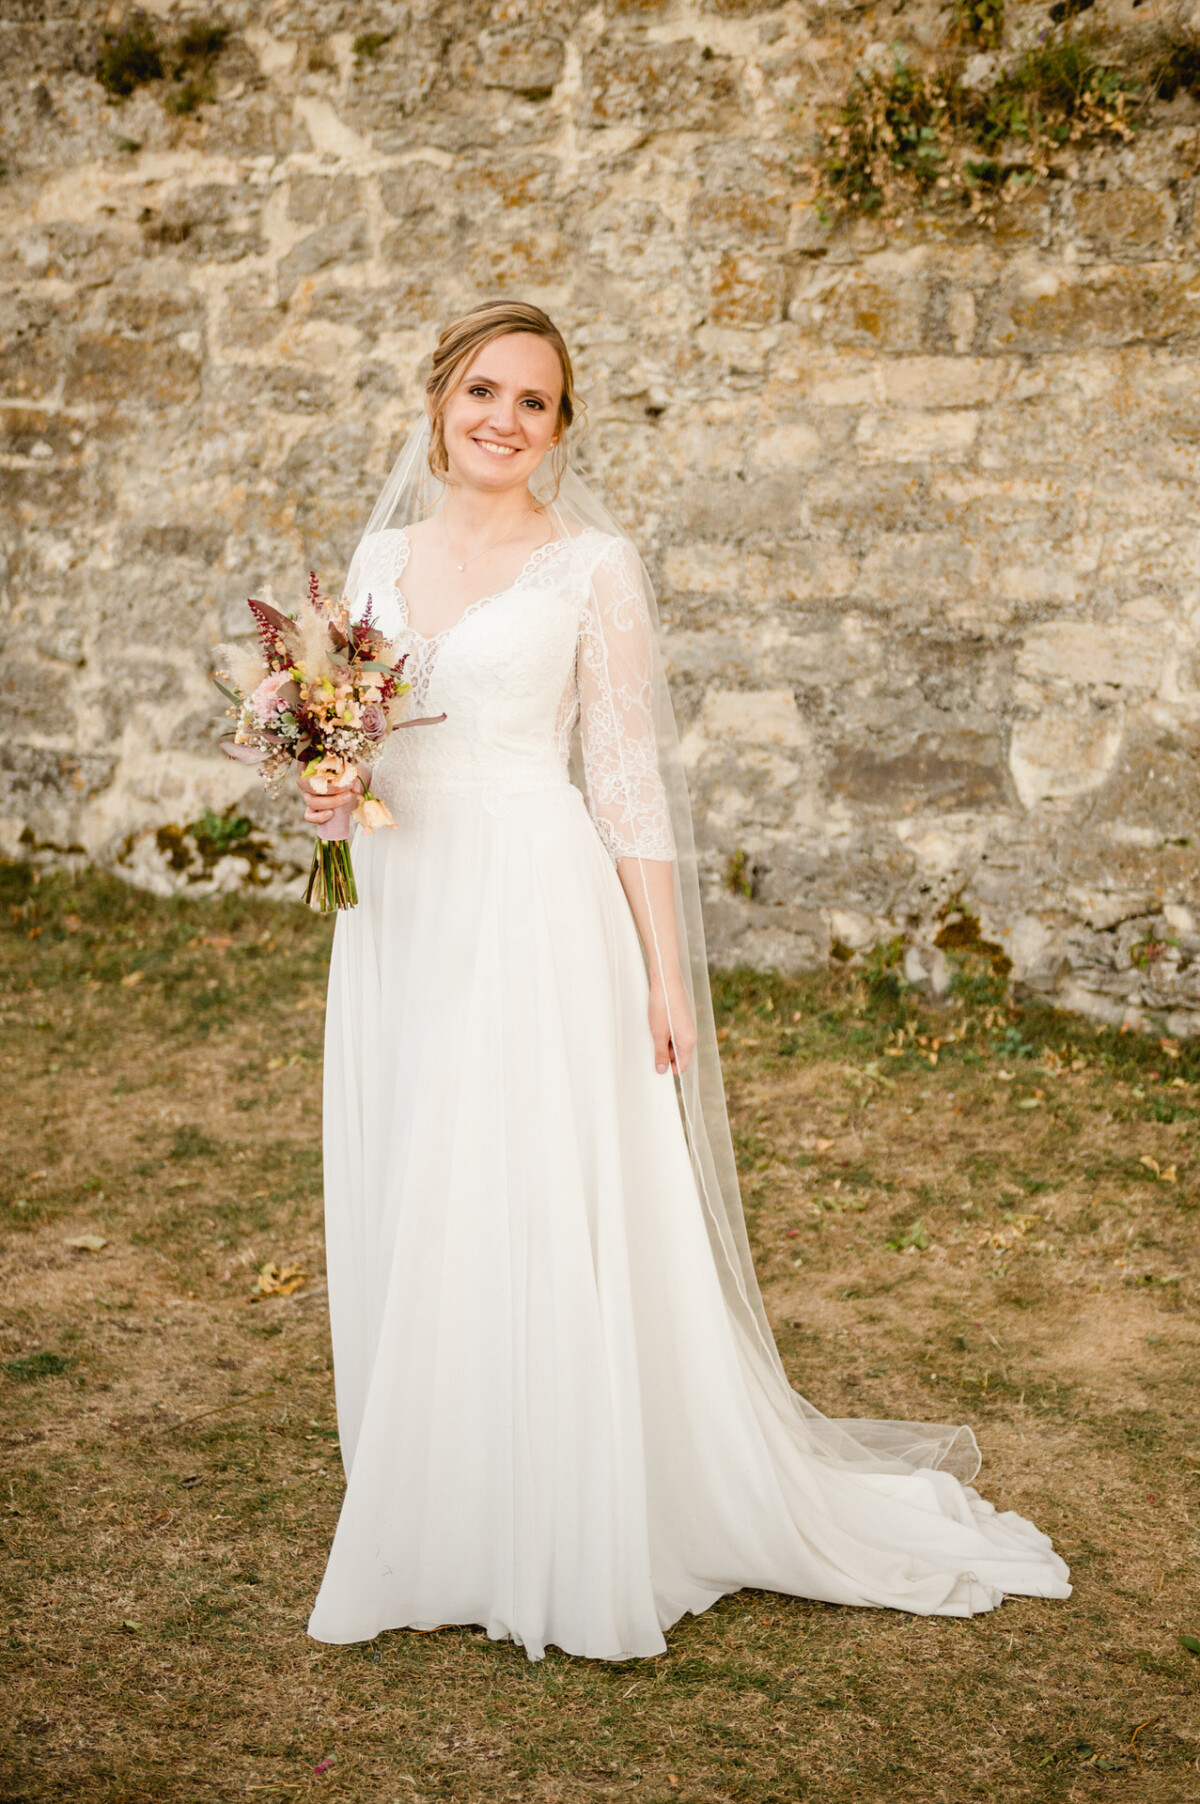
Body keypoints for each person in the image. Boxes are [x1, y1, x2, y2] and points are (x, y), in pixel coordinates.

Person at [302, 301, 1070, 1661]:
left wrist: (664, 974)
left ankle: (560, 1503)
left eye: (535, 401)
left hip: (534, 903)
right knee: (422, 1175)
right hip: (404, 911)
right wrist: (327, 786)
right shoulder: (377, 554)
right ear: (437, 401)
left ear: (561, 427)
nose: (504, 419)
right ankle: (440, 1493)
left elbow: (628, 779)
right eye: (484, 389)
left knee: (528, 1187)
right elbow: (355, 734)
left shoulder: (591, 565)